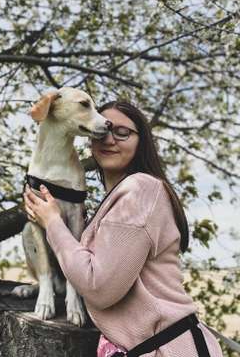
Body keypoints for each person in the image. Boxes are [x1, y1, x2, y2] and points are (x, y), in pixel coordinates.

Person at [24, 100, 223, 357]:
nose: (110, 140)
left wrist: (52, 222)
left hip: (170, 349)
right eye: (104, 130)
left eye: (122, 133)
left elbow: (99, 287)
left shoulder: (140, 190)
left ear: (141, 142)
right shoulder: (121, 198)